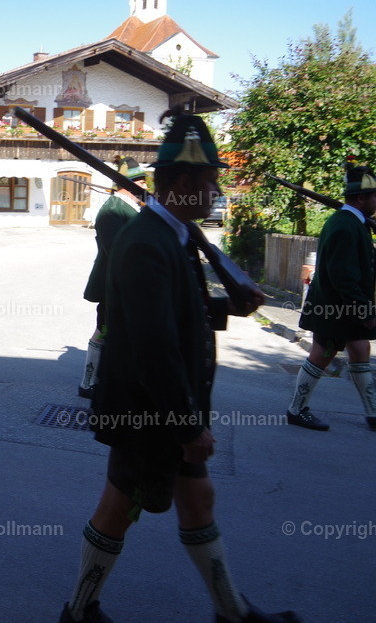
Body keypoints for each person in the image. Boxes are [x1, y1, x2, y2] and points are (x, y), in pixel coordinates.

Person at [59, 113, 299, 623]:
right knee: (118, 508)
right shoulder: (149, 241)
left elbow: (174, 313)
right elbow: (153, 345)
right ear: (186, 184)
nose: (217, 191)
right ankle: (79, 612)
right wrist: (187, 426)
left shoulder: (174, 235)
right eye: (212, 181)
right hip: (149, 411)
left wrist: (229, 307)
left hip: (165, 407)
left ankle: (232, 612)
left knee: (198, 500)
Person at [287, 160, 376, 432]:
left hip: (343, 308)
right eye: (375, 196)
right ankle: (296, 409)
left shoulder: (354, 224)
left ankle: (373, 413)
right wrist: (365, 311)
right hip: (334, 309)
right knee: (321, 355)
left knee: (361, 350)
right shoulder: (345, 226)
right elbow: (343, 276)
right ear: (361, 198)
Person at [78, 158, 148, 399]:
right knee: (103, 329)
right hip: (113, 283)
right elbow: (118, 253)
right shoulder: (111, 210)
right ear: (129, 185)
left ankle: (113, 378)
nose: (145, 187)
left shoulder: (133, 208)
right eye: (141, 182)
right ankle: (87, 383)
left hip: (128, 284)